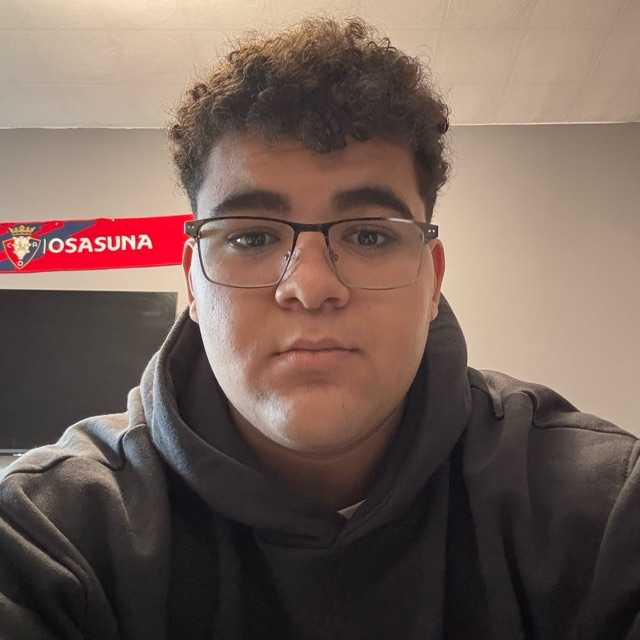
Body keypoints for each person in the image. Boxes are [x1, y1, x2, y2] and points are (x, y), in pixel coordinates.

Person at [0, 16, 638, 640]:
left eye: (368, 236)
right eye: (251, 237)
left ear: (432, 279)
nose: (310, 287)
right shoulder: (50, 534)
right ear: (193, 282)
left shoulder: (602, 512)